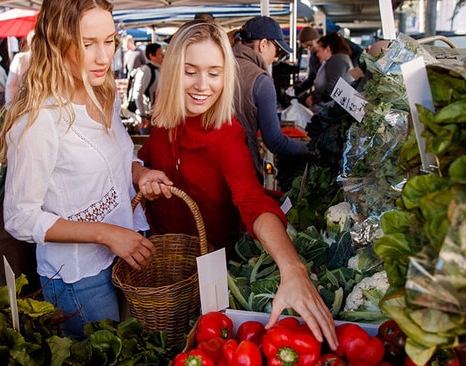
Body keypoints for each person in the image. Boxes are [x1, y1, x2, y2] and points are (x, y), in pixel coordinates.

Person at [137, 20, 338, 351]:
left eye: (214, 73)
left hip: (209, 272)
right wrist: (140, 174)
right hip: (165, 263)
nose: (203, 85)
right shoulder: (165, 119)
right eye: (191, 71)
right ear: (173, 71)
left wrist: (293, 267)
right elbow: (144, 159)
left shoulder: (225, 133)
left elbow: (252, 200)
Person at [0, 0, 170, 341]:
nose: (103, 57)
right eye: (88, 44)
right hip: (79, 275)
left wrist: (139, 174)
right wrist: (104, 233)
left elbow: (115, 158)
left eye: (109, 40)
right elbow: (20, 218)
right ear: (58, 42)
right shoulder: (38, 119)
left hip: (123, 251)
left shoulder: (103, 94)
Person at [232, 16, 310, 181]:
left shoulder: (220, 65)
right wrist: (312, 147)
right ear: (263, 44)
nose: (276, 59)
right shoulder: (260, 80)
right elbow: (275, 142)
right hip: (240, 166)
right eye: (278, 51)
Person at [292, 26, 363, 98]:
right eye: (306, 48)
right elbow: (311, 78)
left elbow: (334, 84)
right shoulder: (314, 57)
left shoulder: (338, 54)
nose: (309, 49)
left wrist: (350, 72)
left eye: (310, 45)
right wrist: (296, 90)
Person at [305, 32, 355, 114]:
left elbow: (334, 85)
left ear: (327, 49)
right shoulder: (336, 60)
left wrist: (314, 97)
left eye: (318, 51)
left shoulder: (337, 60)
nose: (317, 54)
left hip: (334, 113)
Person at [127, 42, 164, 135]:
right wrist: (142, 115)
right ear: (151, 55)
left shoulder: (158, 70)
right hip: (147, 117)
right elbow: (138, 94)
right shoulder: (146, 70)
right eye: (160, 54)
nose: (163, 56)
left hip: (155, 116)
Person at [5, 31, 34, 105]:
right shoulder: (51, 59)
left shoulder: (20, 58)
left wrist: (10, 107)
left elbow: (11, 85)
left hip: (24, 103)